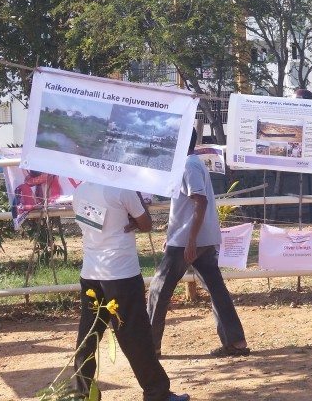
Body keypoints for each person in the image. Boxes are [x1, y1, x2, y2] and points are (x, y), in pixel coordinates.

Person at [71, 181, 189, 401]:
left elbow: (90, 223)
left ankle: (83, 393)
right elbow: (146, 224)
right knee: (136, 336)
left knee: (88, 336)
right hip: (121, 272)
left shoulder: (81, 190)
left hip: (92, 272)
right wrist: (134, 216)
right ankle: (157, 393)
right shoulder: (122, 188)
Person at [147, 130, 249, 357]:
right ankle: (235, 342)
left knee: (158, 289)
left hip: (187, 241)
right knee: (216, 288)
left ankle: (150, 347)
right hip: (195, 238)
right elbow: (190, 205)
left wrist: (190, 239)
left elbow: (199, 201)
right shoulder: (191, 163)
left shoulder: (187, 166)